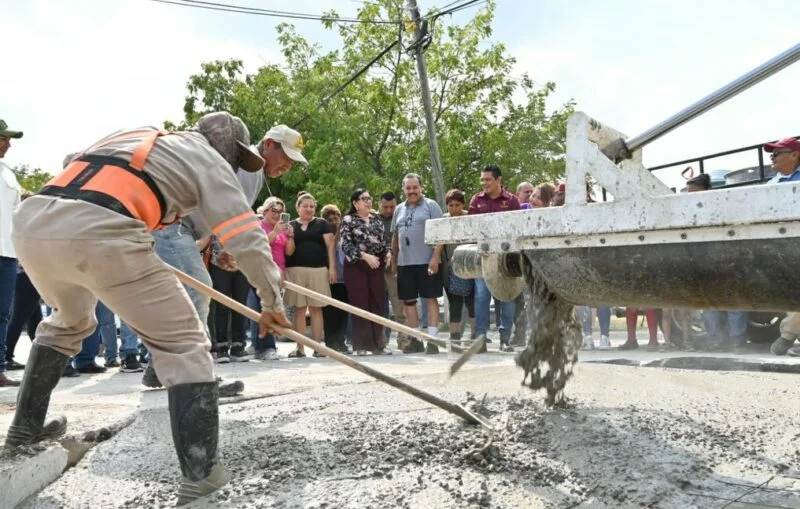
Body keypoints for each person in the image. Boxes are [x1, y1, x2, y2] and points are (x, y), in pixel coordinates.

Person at [3, 112, 291, 506]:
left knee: (69, 321)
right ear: (227, 148)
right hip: (102, 230)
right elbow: (246, 235)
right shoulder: (207, 158)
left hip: (36, 223)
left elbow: (76, 164)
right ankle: (202, 475)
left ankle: (24, 429)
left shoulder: (136, 135)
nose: (235, 168)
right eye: (237, 160)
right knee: (186, 342)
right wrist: (272, 302)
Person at [468, 165, 520, 352]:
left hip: (506, 259)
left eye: (488, 179)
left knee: (506, 296)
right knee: (482, 296)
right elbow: (471, 227)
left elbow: (517, 228)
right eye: (482, 180)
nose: (484, 183)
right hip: (484, 257)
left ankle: (505, 339)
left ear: (499, 180)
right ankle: (481, 338)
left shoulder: (512, 201)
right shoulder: (476, 200)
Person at [391, 173, 444, 354]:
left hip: (427, 261)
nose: (412, 191)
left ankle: (433, 340)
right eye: (408, 188)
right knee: (409, 301)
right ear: (404, 189)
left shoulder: (431, 206)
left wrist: (436, 256)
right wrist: (394, 259)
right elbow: (395, 235)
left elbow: (441, 234)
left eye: (415, 187)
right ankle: (415, 339)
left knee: (430, 298)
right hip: (405, 263)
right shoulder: (399, 209)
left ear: (421, 187)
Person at [284, 192, 336, 358]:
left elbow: (330, 246)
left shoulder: (322, 224)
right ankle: (300, 348)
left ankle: (318, 347)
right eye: (305, 206)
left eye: (312, 206)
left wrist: (332, 268)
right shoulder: (290, 225)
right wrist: (290, 237)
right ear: (297, 207)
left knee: (316, 309)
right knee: (299, 310)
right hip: (295, 271)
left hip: (319, 270)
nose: (309, 209)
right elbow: (288, 251)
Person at [340, 189, 390, 355]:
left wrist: (388, 252)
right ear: (355, 203)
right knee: (361, 303)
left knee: (378, 302)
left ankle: (378, 344)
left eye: (370, 198)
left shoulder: (376, 219)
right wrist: (364, 256)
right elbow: (346, 245)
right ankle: (362, 345)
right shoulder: (348, 220)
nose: (369, 201)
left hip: (376, 265)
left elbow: (385, 240)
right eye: (364, 199)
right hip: (356, 265)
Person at [762, 138, 800, 356]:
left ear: (794, 155)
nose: (772, 157)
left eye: (777, 153)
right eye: (772, 154)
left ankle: (788, 334)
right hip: (781, 246)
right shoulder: (771, 185)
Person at [254, 196, 294, 360]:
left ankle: (263, 345)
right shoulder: (259, 225)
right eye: (273, 210)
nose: (277, 214)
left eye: (280, 211)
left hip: (279, 272)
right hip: (261, 270)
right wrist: (275, 232)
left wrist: (290, 236)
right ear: (265, 211)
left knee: (273, 308)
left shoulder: (283, 229)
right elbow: (260, 245)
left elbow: (289, 252)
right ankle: (264, 347)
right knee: (263, 307)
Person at [0, 120, 22, 387]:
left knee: (2, 313)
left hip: (7, 253)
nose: (9, 143)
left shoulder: (9, 173)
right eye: (4, 138)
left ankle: (0, 368)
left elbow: (16, 215)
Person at [440, 189, 476, 346]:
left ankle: (475, 334)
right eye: (451, 205)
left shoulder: (470, 218)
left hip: (470, 266)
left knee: (471, 301)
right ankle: (454, 336)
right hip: (451, 267)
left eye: (457, 205)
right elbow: (439, 244)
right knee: (454, 301)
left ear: (463, 204)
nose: (454, 208)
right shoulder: (443, 220)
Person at [378, 191, 407, 349]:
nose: (389, 210)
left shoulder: (402, 217)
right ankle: (380, 340)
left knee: (399, 307)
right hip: (377, 268)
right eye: (385, 207)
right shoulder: (373, 219)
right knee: (379, 307)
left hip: (396, 268)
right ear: (379, 205)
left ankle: (403, 339)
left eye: (392, 207)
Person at [320, 204, 350, 353]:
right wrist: (338, 230)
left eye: (336, 218)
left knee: (343, 312)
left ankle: (341, 341)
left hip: (345, 278)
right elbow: (332, 245)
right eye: (329, 219)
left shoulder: (347, 234)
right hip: (330, 278)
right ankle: (331, 342)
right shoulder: (324, 235)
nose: (334, 221)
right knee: (330, 313)